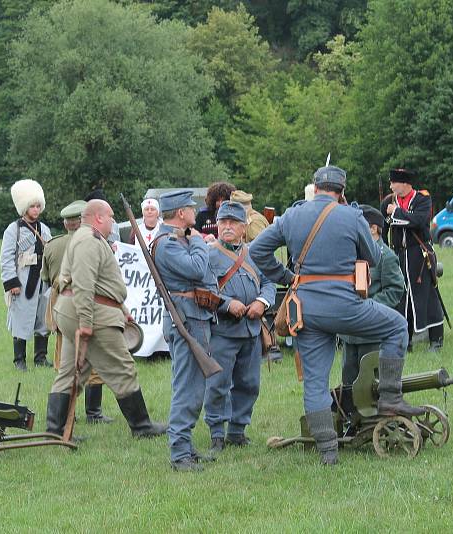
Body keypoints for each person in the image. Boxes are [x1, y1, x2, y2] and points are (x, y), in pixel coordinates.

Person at [250, 165, 424, 466]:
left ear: (314, 187)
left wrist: (289, 276)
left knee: (315, 382)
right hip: (346, 305)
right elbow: (371, 256)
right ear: (341, 192)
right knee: (397, 326)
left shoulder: (291, 215)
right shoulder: (351, 215)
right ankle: (390, 398)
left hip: (306, 311)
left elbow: (257, 251)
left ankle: (328, 452)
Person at [45, 200, 166, 439]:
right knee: (123, 368)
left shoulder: (86, 238)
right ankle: (142, 426)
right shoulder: (89, 241)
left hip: (76, 311)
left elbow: (101, 283)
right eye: (110, 216)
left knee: (70, 373)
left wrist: (122, 309)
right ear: (98, 217)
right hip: (90, 314)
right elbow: (84, 284)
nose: (113, 221)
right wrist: (87, 323)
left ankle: (55, 431)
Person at [151, 190, 219, 472]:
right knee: (187, 388)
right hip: (188, 320)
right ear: (181, 213)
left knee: (192, 386)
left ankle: (186, 445)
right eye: (190, 207)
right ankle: (180, 452)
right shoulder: (168, 244)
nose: (195, 211)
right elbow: (198, 269)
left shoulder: (177, 240)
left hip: (193, 317)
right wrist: (200, 242)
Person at [204, 201, 275, 454]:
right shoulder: (208, 254)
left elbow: (268, 282)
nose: (227, 227)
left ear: (244, 228)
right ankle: (216, 432)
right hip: (223, 331)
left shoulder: (254, 253)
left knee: (249, 383)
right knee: (218, 383)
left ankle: (237, 430)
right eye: (223, 222)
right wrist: (226, 304)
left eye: (233, 223)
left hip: (251, 330)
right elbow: (204, 290)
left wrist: (261, 301)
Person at [42, 200, 112, 424]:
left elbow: (45, 277)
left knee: (64, 365)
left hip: (61, 308)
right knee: (94, 366)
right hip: (90, 307)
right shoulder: (96, 242)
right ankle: (94, 413)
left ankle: (61, 420)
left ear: (65, 223)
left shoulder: (52, 245)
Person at [339, 205, 405, 393]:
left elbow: (395, 289)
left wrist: (369, 307)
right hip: (349, 331)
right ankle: (351, 418)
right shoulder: (351, 254)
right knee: (349, 381)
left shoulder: (386, 257)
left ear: (373, 229)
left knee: (371, 384)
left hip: (371, 332)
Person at [380, 169, 445, 352]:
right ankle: (404, 340)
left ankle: (436, 340)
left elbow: (419, 220)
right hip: (399, 255)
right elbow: (383, 226)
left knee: (427, 296)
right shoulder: (389, 201)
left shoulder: (422, 199)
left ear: (405, 184)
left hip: (420, 254)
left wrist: (397, 212)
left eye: (394, 183)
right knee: (401, 298)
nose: (391, 186)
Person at [0, 179, 53, 371]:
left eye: (39, 205)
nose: (36, 209)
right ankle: (19, 360)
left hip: (42, 281)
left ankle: (40, 357)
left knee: (43, 320)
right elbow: (6, 258)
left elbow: (51, 254)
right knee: (21, 319)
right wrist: (12, 282)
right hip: (22, 282)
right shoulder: (13, 230)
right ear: (24, 206)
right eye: (32, 206)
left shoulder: (44, 230)